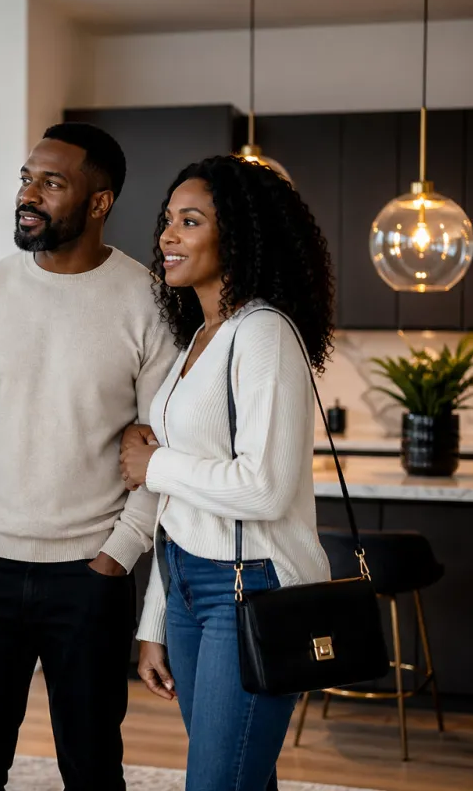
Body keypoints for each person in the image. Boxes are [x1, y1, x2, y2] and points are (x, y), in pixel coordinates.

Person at [0, 122, 177, 791]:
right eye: (26, 179)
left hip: (89, 578)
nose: (28, 195)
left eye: (52, 183)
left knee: (93, 768)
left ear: (99, 203)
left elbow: (162, 448)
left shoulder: (149, 301)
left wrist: (117, 554)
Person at [118, 155, 335, 791]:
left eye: (190, 221)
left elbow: (263, 488)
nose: (167, 236)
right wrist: (156, 618)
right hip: (190, 585)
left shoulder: (264, 332)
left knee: (219, 780)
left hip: (251, 589)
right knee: (242, 774)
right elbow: (181, 512)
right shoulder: (200, 337)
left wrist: (153, 463)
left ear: (237, 235)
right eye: (167, 220)